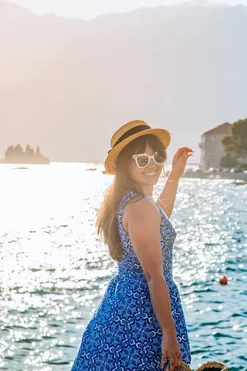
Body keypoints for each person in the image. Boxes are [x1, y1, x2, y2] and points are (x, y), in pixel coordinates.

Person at [72, 120, 193, 370]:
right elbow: (153, 276)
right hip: (144, 314)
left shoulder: (132, 202)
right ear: (126, 164)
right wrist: (169, 334)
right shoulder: (141, 207)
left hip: (125, 305)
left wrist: (175, 175)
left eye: (158, 157)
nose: (153, 165)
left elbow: (158, 217)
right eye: (142, 160)